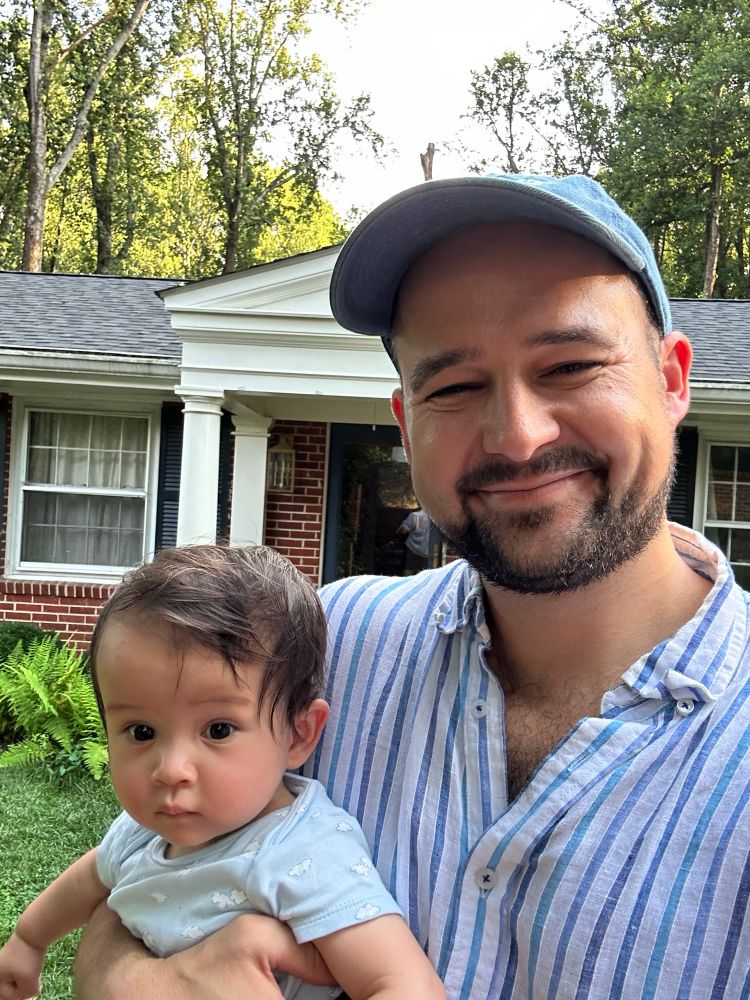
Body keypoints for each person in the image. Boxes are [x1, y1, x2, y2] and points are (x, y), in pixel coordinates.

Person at [74, 173, 750, 999]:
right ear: (406, 421)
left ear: (673, 381)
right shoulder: (322, 644)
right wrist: (127, 975)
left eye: (570, 365)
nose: (518, 434)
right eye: (454, 387)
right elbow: (143, 871)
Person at [0, 545, 444, 1000]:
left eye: (217, 729)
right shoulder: (139, 834)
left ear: (298, 735)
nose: (171, 770)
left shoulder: (300, 852)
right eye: (141, 731)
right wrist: (28, 940)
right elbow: (91, 876)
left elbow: (405, 983)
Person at [397, 507, 432, 573]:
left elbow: (402, 531)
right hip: (427, 552)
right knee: (423, 573)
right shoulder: (435, 518)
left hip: (412, 549)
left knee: (409, 570)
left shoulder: (414, 516)